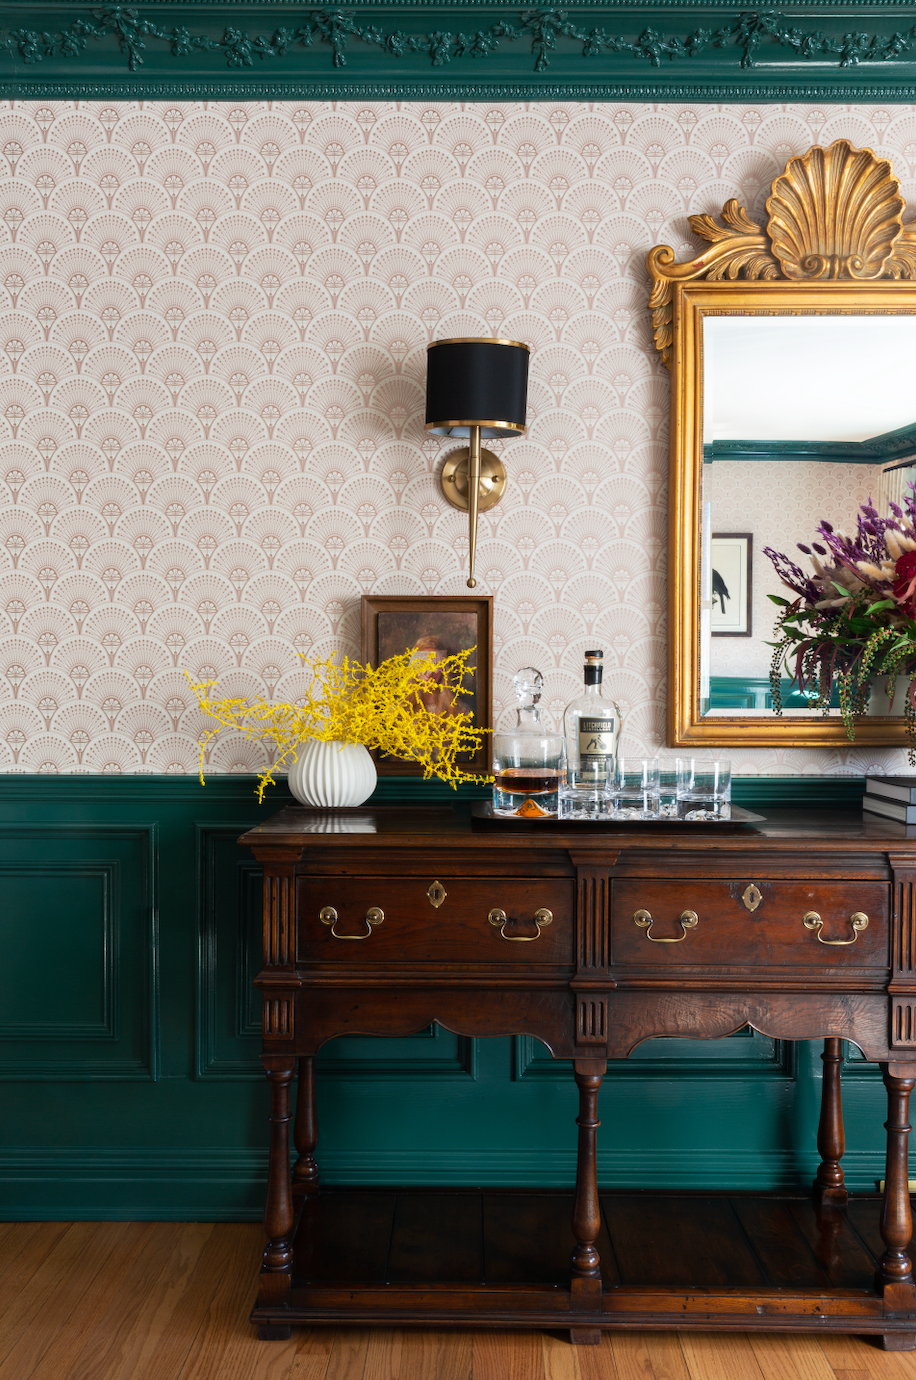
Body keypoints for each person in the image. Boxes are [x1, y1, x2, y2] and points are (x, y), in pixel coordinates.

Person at [410, 635, 474, 719]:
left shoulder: (460, 710)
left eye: (435, 665)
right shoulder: (400, 709)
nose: (429, 673)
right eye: (422, 665)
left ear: (443, 669)